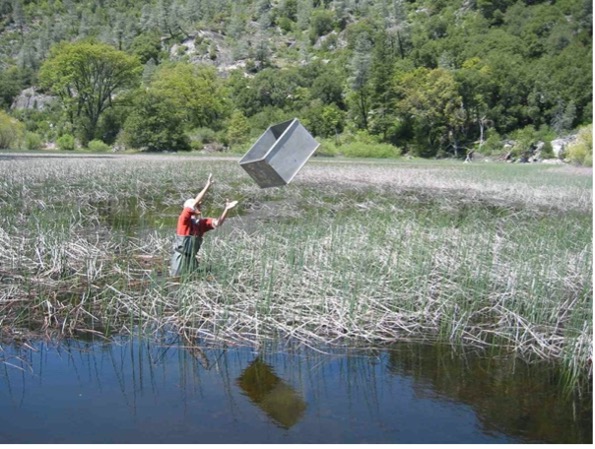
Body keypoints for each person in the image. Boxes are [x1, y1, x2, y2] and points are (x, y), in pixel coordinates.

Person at [170, 173, 239, 277]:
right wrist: (208, 185)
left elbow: (218, 223)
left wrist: (226, 209)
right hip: (180, 260)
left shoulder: (201, 224)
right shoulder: (183, 220)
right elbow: (193, 204)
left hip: (192, 260)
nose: (200, 206)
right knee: (177, 281)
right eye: (198, 205)